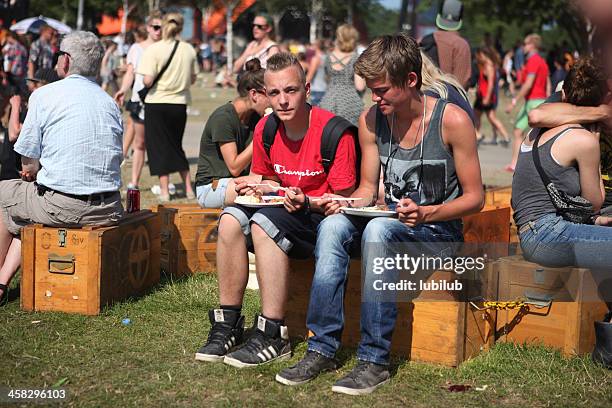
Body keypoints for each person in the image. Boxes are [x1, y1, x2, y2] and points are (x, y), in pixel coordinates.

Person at [275, 33, 483, 395]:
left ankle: (374, 361)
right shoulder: (372, 120)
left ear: (411, 81)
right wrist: (345, 203)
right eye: (371, 89)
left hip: (439, 232)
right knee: (334, 225)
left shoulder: (452, 121)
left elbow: (475, 198)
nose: (374, 97)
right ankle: (320, 346)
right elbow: (368, 190)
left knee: (378, 234)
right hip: (392, 222)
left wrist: (428, 211)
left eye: (382, 89)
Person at [194, 52, 358, 367]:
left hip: (322, 218)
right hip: (284, 209)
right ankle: (228, 323)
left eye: (290, 90)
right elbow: (268, 176)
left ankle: (272, 332)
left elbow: (345, 203)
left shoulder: (335, 132)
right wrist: (258, 185)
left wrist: (306, 200)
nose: (282, 100)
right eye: (274, 93)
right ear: (265, 95)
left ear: (307, 90)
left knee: (263, 223)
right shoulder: (266, 128)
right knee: (230, 218)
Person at [0, 31, 124, 304]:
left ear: (65, 61)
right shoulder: (109, 103)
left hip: (65, 207)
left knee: (4, 193)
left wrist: (32, 171)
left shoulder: (44, 95)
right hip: (110, 207)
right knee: (25, 205)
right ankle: (2, 280)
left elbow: (28, 160)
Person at [511, 59, 612, 367]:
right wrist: (593, 141)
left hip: (536, 230)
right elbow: (594, 201)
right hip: (547, 235)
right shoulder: (583, 140)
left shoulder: (536, 128)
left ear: (565, 96)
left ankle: (606, 348)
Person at [138, 12, 199, 202]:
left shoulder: (154, 50)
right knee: (176, 146)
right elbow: (193, 78)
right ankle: (189, 188)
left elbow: (147, 81)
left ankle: (165, 191)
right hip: (179, 104)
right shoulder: (188, 49)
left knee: (158, 148)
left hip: (156, 103)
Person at [195, 59, 269, 208]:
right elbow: (235, 167)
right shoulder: (223, 118)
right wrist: (261, 134)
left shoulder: (255, 117)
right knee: (261, 194)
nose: (276, 100)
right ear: (254, 94)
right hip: (211, 187)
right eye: (271, 94)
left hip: (241, 182)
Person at [114, 11, 163, 188]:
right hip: (140, 100)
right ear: (148, 28)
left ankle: (164, 185)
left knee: (160, 143)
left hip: (161, 100)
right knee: (140, 142)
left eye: (162, 27)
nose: (159, 31)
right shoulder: (137, 48)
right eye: (156, 27)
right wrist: (122, 90)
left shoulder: (167, 47)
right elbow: (130, 73)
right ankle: (134, 181)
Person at [505, 33, 551, 172]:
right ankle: (514, 164)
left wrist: (514, 101)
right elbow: (547, 83)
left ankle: (526, 166)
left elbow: (528, 84)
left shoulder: (534, 60)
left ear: (532, 45)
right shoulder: (541, 61)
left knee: (532, 134)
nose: (523, 47)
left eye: (525, 44)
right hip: (537, 100)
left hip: (533, 102)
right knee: (519, 130)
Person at [419, 0, 472, 89]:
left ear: (439, 16)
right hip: (447, 100)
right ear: (460, 19)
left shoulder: (422, 40)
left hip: (421, 99)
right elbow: (462, 83)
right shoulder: (461, 45)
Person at [320, 24, 366, 125]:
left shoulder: (329, 57)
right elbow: (360, 86)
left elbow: (327, 79)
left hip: (328, 100)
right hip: (350, 102)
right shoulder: (356, 58)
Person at [474, 47, 510, 146]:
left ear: (483, 54)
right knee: (478, 115)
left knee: (490, 117)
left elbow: (490, 84)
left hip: (486, 96)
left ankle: (506, 137)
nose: (478, 58)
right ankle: (476, 135)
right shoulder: (484, 65)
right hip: (482, 95)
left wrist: (487, 98)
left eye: (479, 55)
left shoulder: (489, 66)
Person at [306, 40, 327, 106]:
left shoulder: (316, 59)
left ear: (316, 46)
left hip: (316, 89)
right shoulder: (327, 57)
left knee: (316, 113)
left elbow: (310, 76)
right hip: (325, 88)